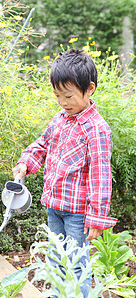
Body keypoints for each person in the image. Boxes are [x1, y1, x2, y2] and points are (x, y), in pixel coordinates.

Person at [12, 49, 117, 297]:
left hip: (78, 214)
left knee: (77, 262)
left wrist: (97, 219)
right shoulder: (60, 119)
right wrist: (26, 162)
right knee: (56, 258)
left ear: (89, 89)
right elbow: (42, 144)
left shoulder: (97, 129)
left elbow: (100, 178)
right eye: (58, 95)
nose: (63, 102)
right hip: (54, 207)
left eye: (68, 96)